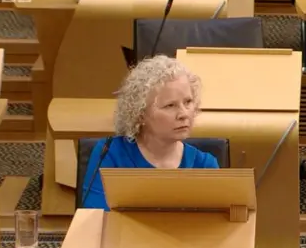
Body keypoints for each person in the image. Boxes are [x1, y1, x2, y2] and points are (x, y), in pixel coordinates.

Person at [81, 55, 219, 210]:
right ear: (140, 114)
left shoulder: (205, 165)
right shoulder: (110, 154)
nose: (184, 114)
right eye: (170, 105)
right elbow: (95, 219)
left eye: (188, 102)